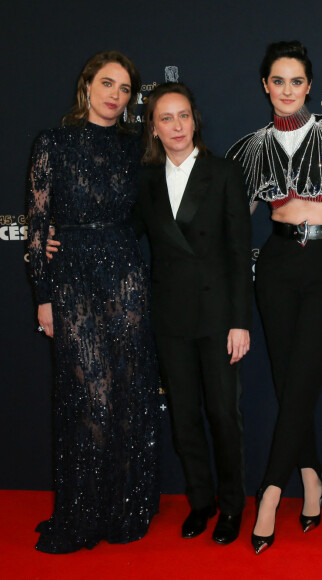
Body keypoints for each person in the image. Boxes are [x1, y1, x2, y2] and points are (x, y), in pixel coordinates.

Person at [227, 40, 322, 553]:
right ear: (265, 86)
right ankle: (311, 476)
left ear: (309, 86)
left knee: (304, 374)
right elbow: (227, 225)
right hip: (275, 265)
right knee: (292, 380)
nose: (287, 90)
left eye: (297, 81)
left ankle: (269, 494)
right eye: (278, 80)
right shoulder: (249, 148)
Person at [27, 50, 160, 554]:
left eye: (125, 89)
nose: (115, 96)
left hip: (125, 272)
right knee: (92, 397)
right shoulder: (53, 143)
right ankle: (83, 511)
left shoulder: (136, 146)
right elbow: (39, 227)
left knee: (128, 395)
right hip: (72, 277)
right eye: (108, 84)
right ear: (87, 87)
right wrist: (44, 297)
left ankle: (125, 508)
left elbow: (153, 210)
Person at [132, 82, 252, 545]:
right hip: (169, 316)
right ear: (154, 128)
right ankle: (200, 502)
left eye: (183, 116)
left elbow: (241, 253)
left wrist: (240, 320)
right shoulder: (144, 180)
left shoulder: (223, 173)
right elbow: (126, 236)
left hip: (219, 315)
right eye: (166, 118)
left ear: (194, 120)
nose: (177, 126)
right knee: (184, 417)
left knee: (223, 414)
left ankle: (231, 505)